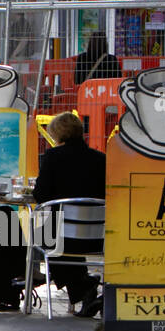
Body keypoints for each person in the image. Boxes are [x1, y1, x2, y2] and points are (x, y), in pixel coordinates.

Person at [33, 111, 106, 317]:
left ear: (57, 134)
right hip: (96, 237)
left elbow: (41, 195)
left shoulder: (53, 157)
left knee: (44, 231)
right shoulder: (101, 159)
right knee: (57, 233)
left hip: (61, 236)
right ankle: (84, 290)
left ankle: (83, 288)